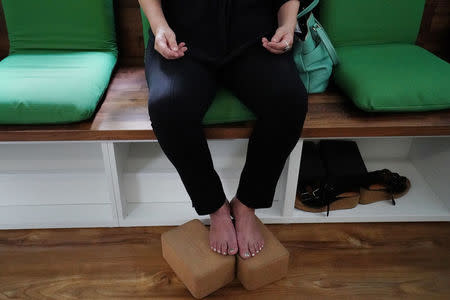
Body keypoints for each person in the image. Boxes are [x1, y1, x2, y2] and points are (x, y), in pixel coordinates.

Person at [139, 0, 308, 260]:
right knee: (167, 107)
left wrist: (287, 24)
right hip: (182, 38)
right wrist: (158, 25)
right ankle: (216, 208)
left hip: (255, 38)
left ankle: (246, 205)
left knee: (289, 101)